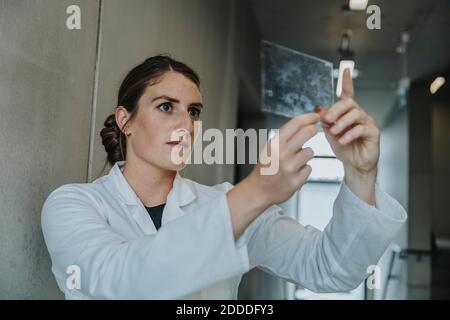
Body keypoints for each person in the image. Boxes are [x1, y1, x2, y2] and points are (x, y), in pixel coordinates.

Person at [41, 54, 407, 299]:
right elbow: (121, 282)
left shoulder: (223, 202)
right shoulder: (73, 205)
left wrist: (360, 173)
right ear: (125, 120)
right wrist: (256, 191)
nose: (185, 124)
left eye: (194, 112)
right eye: (166, 106)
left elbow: (332, 270)